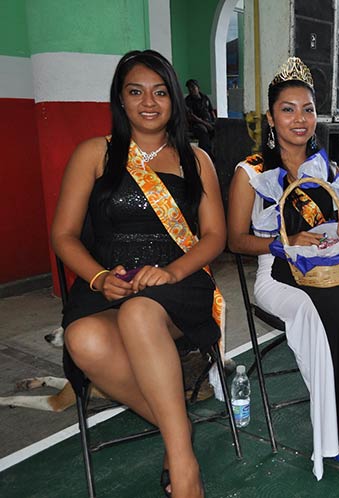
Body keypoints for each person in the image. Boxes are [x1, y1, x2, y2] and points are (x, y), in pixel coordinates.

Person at [51, 50, 225, 498]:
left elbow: (213, 237)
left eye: (160, 92)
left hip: (178, 281)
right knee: (82, 338)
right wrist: (96, 278)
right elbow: (65, 235)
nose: (149, 102)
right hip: (110, 283)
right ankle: (178, 430)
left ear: (175, 100)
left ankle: (184, 467)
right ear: (121, 100)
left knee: (139, 315)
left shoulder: (196, 160)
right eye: (136, 91)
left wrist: (170, 271)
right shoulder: (97, 153)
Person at [227, 56, 339, 480]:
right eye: (288, 109)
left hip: (329, 268)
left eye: (307, 109)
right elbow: (234, 241)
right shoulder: (251, 172)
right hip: (277, 272)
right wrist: (285, 243)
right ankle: (335, 434)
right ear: (271, 117)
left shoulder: (328, 168)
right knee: (330, 314)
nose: (299, 119)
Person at [184, 79, 216, 155]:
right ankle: (206, 155)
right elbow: (191, 117)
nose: (191, 90)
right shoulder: (187, 101)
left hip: (208, 121)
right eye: (189, 88)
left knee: (220, 129)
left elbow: (211, 110)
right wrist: (203, 123)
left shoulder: (205, 98)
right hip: (195, 123)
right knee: (203, 130)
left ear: (198, 88)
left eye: (193, 87)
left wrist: (215, 120)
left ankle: (216, 152)